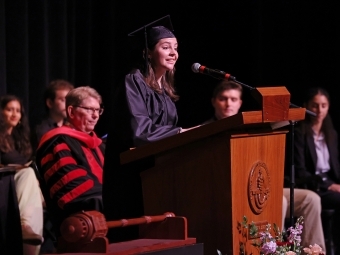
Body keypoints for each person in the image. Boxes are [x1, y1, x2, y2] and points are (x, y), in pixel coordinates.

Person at [103, 15, 198, 242]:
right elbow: (141, 133)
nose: (174, 53)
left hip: (156, 174)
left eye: (175, 48)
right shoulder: (133, 82)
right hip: (130, 178)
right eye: (166, 47)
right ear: (147, 53)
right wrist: (178, 133)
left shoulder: (165, 91)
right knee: (133, 238)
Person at [203, 80, 325, 250]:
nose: (228, 103)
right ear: (214, 101)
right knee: (278, 201)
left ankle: (315, 252)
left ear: (240, 103)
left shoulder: (251, 129)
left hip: (260, 189)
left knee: (311, 199)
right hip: (230, 192)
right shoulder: (205, 131)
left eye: (233, 99)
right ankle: (277, 252)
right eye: (223, 98)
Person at [35, 86, 105, 237]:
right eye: (89, 110)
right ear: (71, 111)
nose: (95, 116)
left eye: (98, 110)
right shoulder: (56, 141)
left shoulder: (99, 145)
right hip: (78, 222)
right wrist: (111, 196)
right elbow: (72, 186)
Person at [294, 87, 340, 252]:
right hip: (312, 185)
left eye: (323, 105)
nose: (319, 110)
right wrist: (329, 185)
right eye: (314, 105)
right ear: (306, 106)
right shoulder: (299, 132)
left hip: (330, 182)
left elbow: (335, 168)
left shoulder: (331, 133)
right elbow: (300, 171)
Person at [0, 95, 43, 255]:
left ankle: (30, 242)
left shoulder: (20, 139)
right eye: (9, 109)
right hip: (5, 182)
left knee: (35, 194)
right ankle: (25, 229)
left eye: (18, 111)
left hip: (22, 186)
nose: (14, 114)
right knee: (27, 173)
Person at [34, 79, 74, 145]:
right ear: (49, 103)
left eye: (69, 100)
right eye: (62, 100)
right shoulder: (42, 130)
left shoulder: (71, 126)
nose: (68, 104)